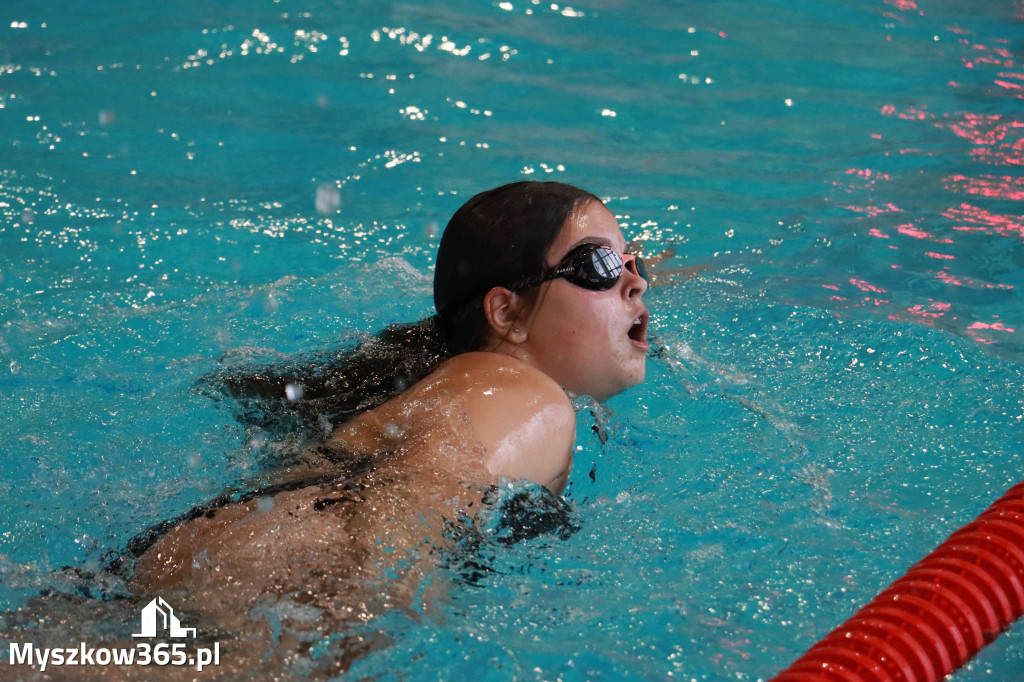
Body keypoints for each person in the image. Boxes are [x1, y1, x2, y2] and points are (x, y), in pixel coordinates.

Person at [10, 181, 651, 679]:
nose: (634, 281)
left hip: (197, 579)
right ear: (505, 312)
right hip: (267, 602)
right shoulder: (526, 395)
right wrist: (354, 632)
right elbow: (414, 499)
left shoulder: (468, 380)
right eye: (597, 265)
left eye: (636, 261)